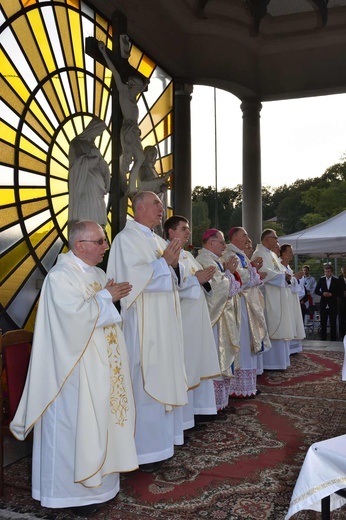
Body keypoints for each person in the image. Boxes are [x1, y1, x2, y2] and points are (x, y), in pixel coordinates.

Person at [10, 221, 138, 516]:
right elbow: (72, 319)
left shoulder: (97, 273)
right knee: (75, 427)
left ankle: (101, 486)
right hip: (72, 371)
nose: (105, 247)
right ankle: (70, 496)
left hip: (100, 365)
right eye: (100, 242)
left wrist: (110, 299)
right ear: (80, 245)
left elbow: (106, 313)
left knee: (99, 424)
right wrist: (107, 298)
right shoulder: (60, 276)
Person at [106, 191, 188, 470]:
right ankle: (144, 451)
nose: (161, 208)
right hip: (143, 324)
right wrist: (165, 264)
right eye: (156, 204)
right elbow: (130, 282)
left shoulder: (158, 240)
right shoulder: (124, 239)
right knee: (144, 382)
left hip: (164, 324)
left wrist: (172, 267)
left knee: (163, 374)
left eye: (161, 204)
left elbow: (175, 277)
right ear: (139, 207)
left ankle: (163, 445)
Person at [163, 216, 221, 426]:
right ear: (171, 232)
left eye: (188, 229)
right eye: (183, 228)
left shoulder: (188, 255)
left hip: (197, 317)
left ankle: (199, 410)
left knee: (197, 362)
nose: (188, 232)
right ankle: (184, 420)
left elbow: (199, 281)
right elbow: (172, 284)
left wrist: (204, 280)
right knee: (187, 365)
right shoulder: (167, 253)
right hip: (183, 318)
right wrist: (197, 280)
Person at [223, 227, 271, 398]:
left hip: (247, 304)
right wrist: (252, 271)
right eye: (244, 235)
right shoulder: (230, 255)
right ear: (234, 238)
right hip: (239, 305)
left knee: (248, 342)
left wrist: (253, 269)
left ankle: (247, 386)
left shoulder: (240, 255)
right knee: (242, 342)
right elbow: (238, 278)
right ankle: (239, 387)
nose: (247, 238)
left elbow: (247, 276)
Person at [197, 229, 241, 411]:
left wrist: (229, 274)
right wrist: (229, 274)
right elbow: (217, 287)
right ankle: (213, 404)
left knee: (222, 356)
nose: (225, 246)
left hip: (223, 316)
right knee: (216, 357)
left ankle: (221, 402)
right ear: (210, 243)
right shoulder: (205, 260)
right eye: (221, 242)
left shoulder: (215, 260)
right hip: (214, 319)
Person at [98, 41, 148, 195]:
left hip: (134, 130)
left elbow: (145, 84)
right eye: (137, 87)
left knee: (140, 159)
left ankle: (130, 185)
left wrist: (145, 82)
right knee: (133, 158)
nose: (138, 90)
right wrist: (104, 53)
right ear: (132, 86)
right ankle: (127, 183)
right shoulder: (124, 92)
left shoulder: (133, 98)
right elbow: (114, 71)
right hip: (127, 130)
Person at [252, 229, 295, 370]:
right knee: (271, 326)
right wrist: (283, 276)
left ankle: (280, 362)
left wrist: (286, 276)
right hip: (268, 297)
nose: (277, 241)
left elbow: (280, 271)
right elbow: (265, 274)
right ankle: (270, 363)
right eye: (275, 238)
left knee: (280, 325)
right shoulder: (259, 253)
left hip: (278, 295)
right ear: (267, 239)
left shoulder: (271, 254)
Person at [68, 117, 110, 228]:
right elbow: (77, 164)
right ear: (92, 129)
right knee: (88, 216)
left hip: (97, 188)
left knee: (99, 219)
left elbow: (102, 165)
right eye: (98, 132)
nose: (98, 135)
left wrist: (103, 167)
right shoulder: (77, 143)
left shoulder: (93, 146)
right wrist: (95, 158)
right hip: (86, 187)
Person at [279, 244, 306, 354]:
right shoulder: (280, 265)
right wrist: (295, 277)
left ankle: (294, 348)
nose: (291, 254)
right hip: (286, 297)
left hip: (292, 297)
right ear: (283, 253)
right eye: (289, 252)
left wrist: (294, 278)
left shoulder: (288, 266)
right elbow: (287, 282)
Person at [315, 263, 341, 341]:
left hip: (333, 303)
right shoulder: (321, 280)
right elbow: (316, 290)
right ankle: (323, 337)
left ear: (331, 272)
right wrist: (322, 293)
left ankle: (333, 338)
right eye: (325, 271)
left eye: (328, 271)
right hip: (323, 303)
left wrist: (331, 294)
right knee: (323, 322)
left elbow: (339, 292)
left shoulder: (336, 280)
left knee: (333, 322)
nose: (327, 273)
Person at [338, 266, 346, 339]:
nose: (344, 273)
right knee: (341, 319)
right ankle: (342, 335)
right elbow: (337, 290)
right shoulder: (339, 279)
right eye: (343, 272)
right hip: (342, 303)